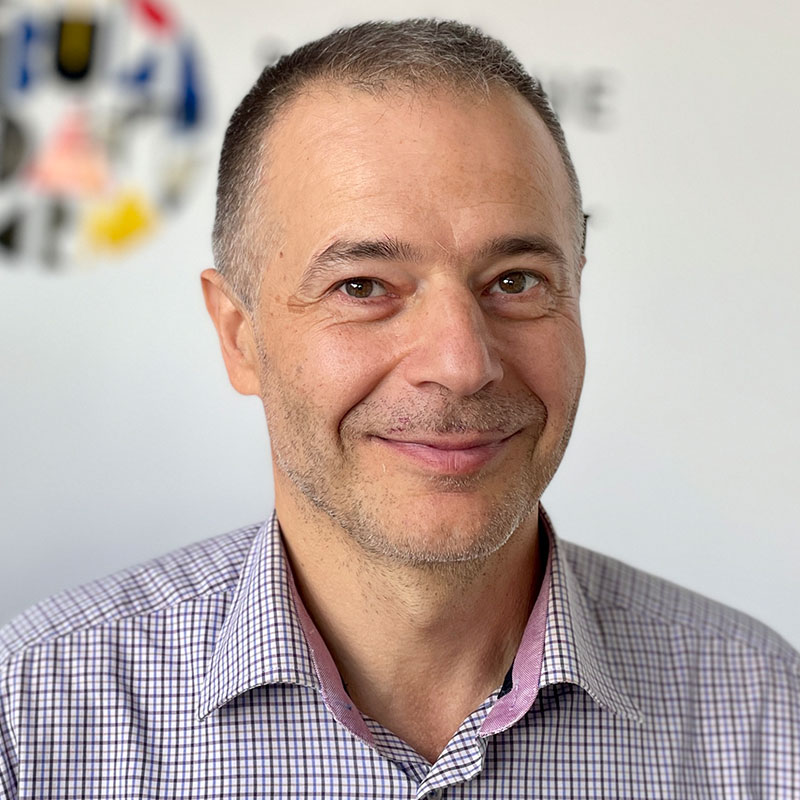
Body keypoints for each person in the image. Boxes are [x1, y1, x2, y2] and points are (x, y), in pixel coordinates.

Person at [1, 19, 798, 799]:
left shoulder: (769, 718)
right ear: (240, 336)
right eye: (363, 287)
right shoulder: (33, 715)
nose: (462, 365)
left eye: (515, 281)